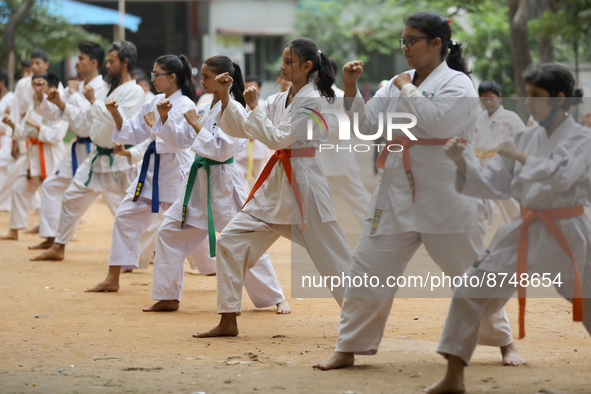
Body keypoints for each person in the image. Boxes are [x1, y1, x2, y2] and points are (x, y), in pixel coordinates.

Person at [314, 11, 522, 371]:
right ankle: (348, 346)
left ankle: (503, 341)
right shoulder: (395, 84)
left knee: (468, 270)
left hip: (447, 191)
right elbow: (365, 127)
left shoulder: (457, 84)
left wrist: (406, 88)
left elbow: (437, 120)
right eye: (404, 40)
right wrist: (350, 89)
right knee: (367, 267)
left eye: (413, 40)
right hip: (397, 188)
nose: (406, 47)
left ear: (436, 44)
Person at [423, 63, 590, 394]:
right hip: (525, 227)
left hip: (569, 229)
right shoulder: (525, 137)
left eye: (535, 97)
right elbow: (493, 185)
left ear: (559, 99)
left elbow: (563, 176)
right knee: (470, 289)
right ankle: (454, 378)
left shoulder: (582, 137)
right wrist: (462, 160)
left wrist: (522, 158)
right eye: (526, 95)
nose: (527, 103)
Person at [192, 38, 352, 338]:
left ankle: (362, 319)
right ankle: (228, 319)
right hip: (274, 186)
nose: (283, 65)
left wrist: (254, 107)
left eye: (290, 61)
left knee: (334, 260)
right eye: (284, 60)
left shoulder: (314, 100)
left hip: (304, 185)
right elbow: (244, 128)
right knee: (229, 240)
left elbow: (278, 138)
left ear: (307, 66)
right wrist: (227, 97)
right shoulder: (279, 100)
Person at [143, 55, 289, 314]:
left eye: (207, 77)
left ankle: (273, 297)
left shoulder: (236, 110)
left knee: (243, 239)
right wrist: (164, 120)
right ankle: (167, 296)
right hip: (198, 182)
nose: (201, 81)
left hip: (224, 183)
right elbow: (182, 141)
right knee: (169, 232)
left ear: (224, 79)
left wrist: (197, 125)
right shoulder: (204, 106)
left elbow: (221, 151)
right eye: (202, 76)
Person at [83, 54, 196, 292]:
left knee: (191, 226)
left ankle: (210, 265)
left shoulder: (186, 104)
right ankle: (113, 277)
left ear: (172, 77)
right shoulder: (153, 100)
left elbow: (180, 142)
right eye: (152, 74)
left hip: (177, 171)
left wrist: (160, 121)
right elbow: (134, 131)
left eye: (157, 75)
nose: (153, 79)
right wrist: (115, 113)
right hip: (152, 172)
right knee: (125, 216)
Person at [31, 41, 145, 262]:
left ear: (125, 63)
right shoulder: (109, 90)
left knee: (135, 210)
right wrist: (61, 105)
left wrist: (92, 100)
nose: (108, 65)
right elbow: (86, 119)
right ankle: (59, 246)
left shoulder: (135, 91)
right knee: (71, 198)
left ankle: (147, 252)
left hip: (120, 160)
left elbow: (117, 119)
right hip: (97, 157)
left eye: (112, 62)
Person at [30, 42, 109, 250]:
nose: (77, 62)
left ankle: (151, 245)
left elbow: (88, 118)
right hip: (77, 148)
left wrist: (73, 94)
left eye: (81, 58)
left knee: (118, 201)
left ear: (93, 62)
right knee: (52, 185)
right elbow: (55, 114)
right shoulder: (77, 86)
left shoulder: (105, 88)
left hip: (97, 149)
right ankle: (51, 237)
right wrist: (42, 96)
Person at [0, 73, 67, 240]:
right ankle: (14, 230)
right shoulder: (33, 107)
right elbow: (24, 132)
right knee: (19, 188)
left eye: (40, 86)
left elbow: (55, 136)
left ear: (51, 88)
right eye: (34, 87)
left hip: (52, 156)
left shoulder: (62, 108)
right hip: (34, 156)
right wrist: (13, 125)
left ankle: (61, 233)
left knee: (55, 194)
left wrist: (38, 128)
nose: (34, 90)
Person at [316, 59, 371, 224]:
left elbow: (343, 126)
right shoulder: (313, 97)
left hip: (339, 155)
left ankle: (376, 226)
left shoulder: (340, 96)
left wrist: (313, 129)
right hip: (320, 156)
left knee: (357, 195)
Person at [474, 80, 526, 223]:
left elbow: (523, 139)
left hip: (501, 163)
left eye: (491, 98)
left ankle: (520, 224)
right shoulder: (479, 118)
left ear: (499, 97)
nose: (488, 102)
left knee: (506, 198)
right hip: (480, 162)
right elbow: (474, 141)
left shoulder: (510, 117)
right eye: (484, 99)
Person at [235, 75, 269, 184]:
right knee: (240, 179)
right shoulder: (240, 106)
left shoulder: (266, 105)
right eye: (247, 87)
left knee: (257, 178)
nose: (249, 90)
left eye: (252, 87)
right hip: (242, 149)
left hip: (258, 149)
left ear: (259, 89)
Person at [0, 69, 16, 211]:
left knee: (6, 167)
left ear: (2, 82)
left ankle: (4, 203)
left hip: (7, 138)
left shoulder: (11, 98)